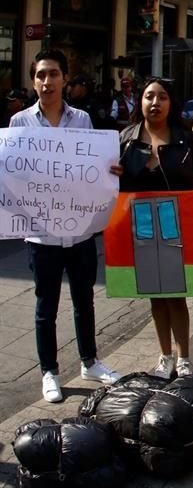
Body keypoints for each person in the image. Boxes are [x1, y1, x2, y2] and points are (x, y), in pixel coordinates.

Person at [10, 50, 121, 402]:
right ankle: (50, 371)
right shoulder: (19, 123)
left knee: (84, 300)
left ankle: (90, 361)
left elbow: (90, 168)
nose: (47, 82)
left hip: (80, 230)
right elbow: (13, 174)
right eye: (41, 75)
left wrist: (109, 170)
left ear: (65, 79)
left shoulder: (82, 120)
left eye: (54, 74)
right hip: (41, 234)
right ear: (33, 81)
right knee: (46, 307)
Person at [118, 78, 193, 379]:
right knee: (156, 295)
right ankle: (165, 356)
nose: (155, 103)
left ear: (171, 103)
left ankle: (184, 358)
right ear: (140, 102)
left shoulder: (185, 139)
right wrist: (114, 175)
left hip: (176, 223)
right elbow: (108, 186)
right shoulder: (125, 140)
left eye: (162, 97)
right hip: (142, 224)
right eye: (149, 96)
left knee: (176, 294)